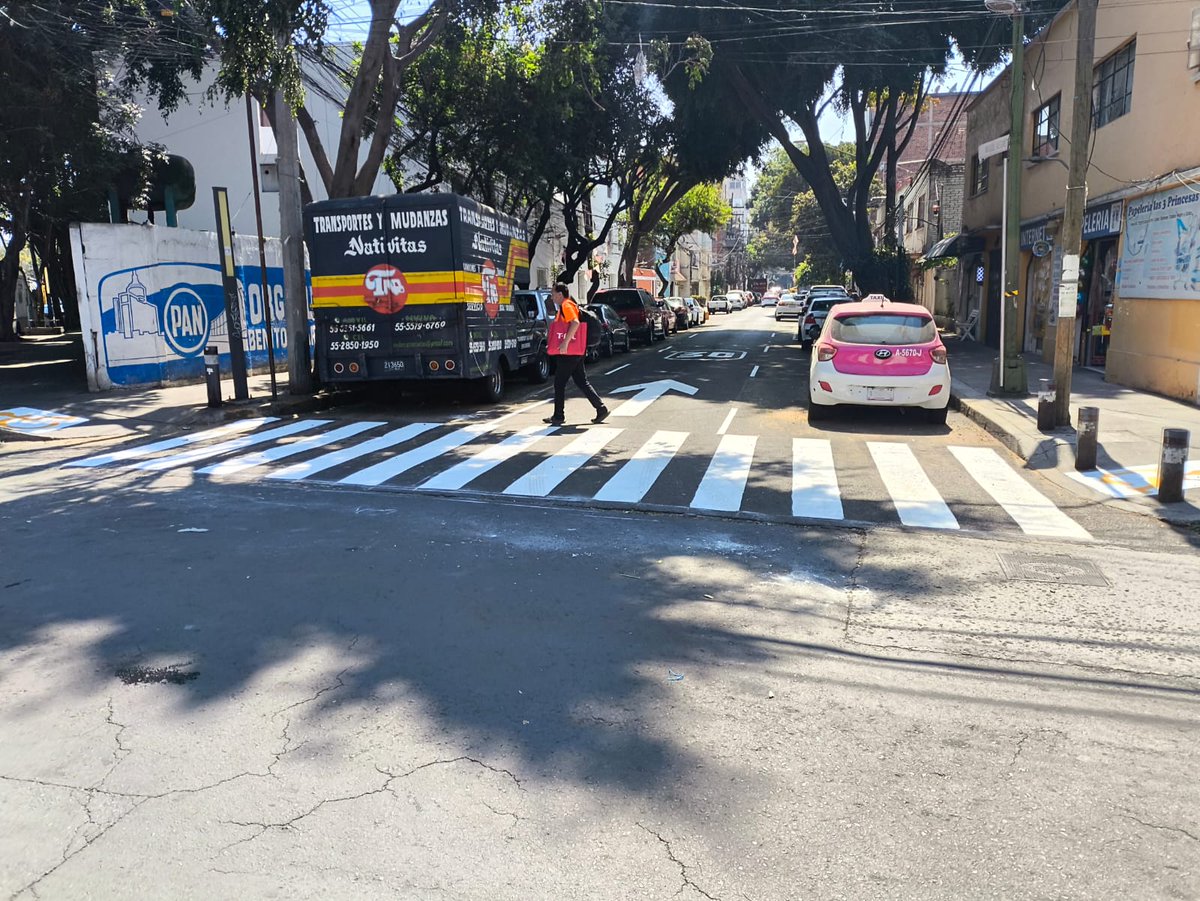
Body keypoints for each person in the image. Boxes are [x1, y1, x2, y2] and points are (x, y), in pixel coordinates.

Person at [545, 283, 609, 426]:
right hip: (576, 350)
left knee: (559, 383)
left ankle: (558, 416)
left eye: (553, 294)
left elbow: (575, 323)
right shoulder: (569, 305)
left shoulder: (567, 305)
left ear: (560, 294)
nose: (552, 297)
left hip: (569, 352)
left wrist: (565, 343)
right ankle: (601, 408)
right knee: (581, 381)